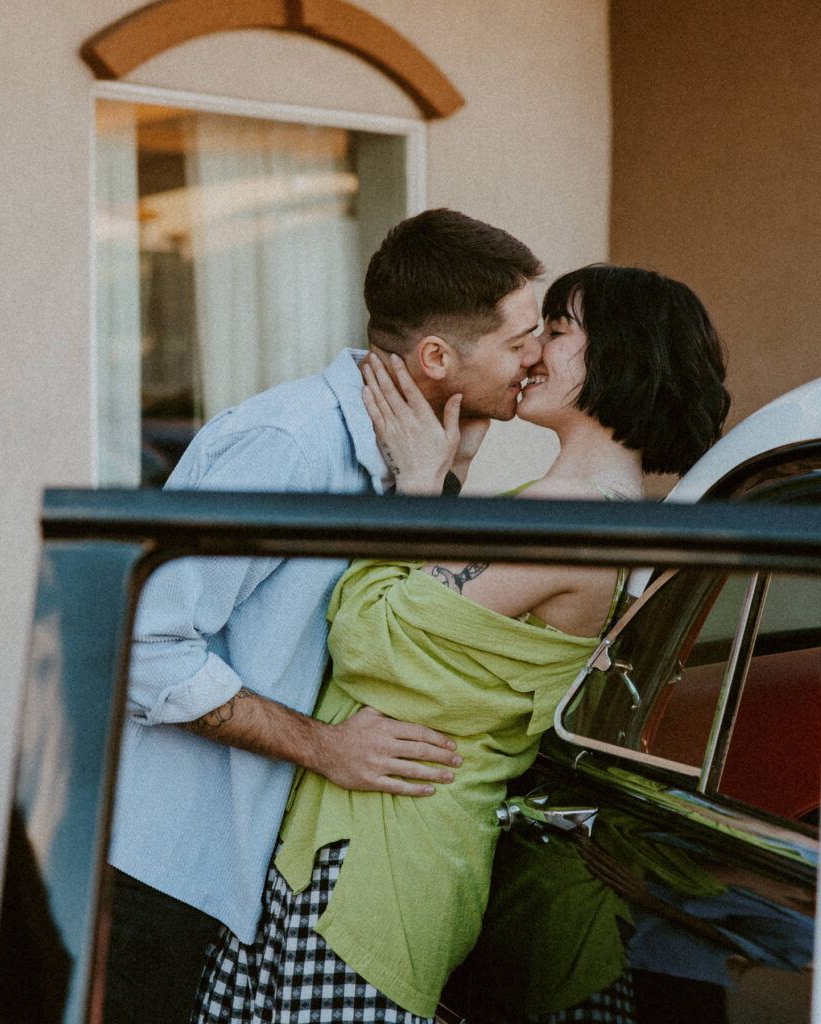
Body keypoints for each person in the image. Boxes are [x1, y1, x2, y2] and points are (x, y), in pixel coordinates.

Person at [193, 263, 731, 1023]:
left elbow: (367, 639)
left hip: (384, 858)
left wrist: (419, 487)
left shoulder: (567, 516)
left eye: (558, 329)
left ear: (625, 354)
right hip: (385, 837)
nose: (532, 350)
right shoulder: (587, 509)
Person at [101, 208, 545, 1024]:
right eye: (520, 342)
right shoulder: (290, 444)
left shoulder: (414, 451)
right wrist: (325, 748)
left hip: (246, 875)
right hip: (165, 874)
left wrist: (445, 481)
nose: (538, 356)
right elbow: (144, 645)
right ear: (437, 357)